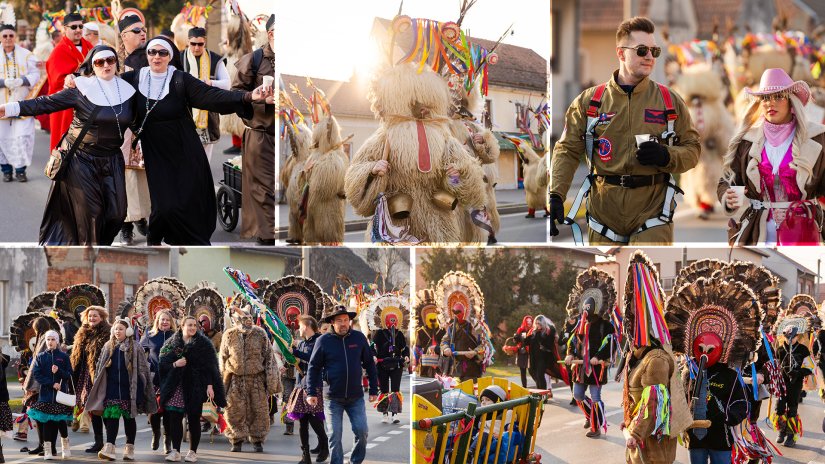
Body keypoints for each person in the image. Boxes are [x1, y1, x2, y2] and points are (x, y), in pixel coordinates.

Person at [549, 16, 700, 245]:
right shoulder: (589, 102)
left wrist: (667, 155)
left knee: (645, 274)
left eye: (654, 51)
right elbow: (567, 150)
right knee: (606, 279)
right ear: (621, 53)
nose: (649, 57)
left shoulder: (670, 101)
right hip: (603, 214)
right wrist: (556, 195)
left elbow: (693, 149)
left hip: (653, 212)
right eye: (641, 50)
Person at [119, 36, 269, 245]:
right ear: (147, 55)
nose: (156, 57)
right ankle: (155, 238)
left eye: (162, 53)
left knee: (191, 198)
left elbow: (212, 96)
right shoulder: (134, 79)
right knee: (165, 205)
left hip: (186, 150)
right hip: (157, 153)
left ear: (170, 57)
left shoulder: (180, 79)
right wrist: (76, 80)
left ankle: (193, 245)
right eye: (152, 52)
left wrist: (248, 97)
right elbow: (104, 85)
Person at [1, 45, 136, 245]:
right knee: (92, 213)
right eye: (100, 62)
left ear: (116, 62)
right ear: (92, 66)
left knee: (117, 214)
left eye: (110, 60)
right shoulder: (81, 89)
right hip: (81, 159)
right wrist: (10, 108)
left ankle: (101, 249)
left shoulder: (128, 89)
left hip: (112, 158)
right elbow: (45, 103)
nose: (106, 65)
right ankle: (89, 260)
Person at [719, 67, 825, 245]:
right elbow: (727, 180)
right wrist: (727, 197)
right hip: (758, 233)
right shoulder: (746, 141)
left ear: (791, 103)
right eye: (765, 98)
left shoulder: (817, 137)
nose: (770, 103)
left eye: (778, 97)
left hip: (805, 231)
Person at [307, 305, 378, 464]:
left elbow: (370, 364)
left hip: (356, 397)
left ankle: (355, 461)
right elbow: (313, 367)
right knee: (335, 436)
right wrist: (311, 392)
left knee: (362, 432)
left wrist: (374, 389)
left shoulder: (359, 338)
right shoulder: (323, 341)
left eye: (346, 320)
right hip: (332, 398)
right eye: (339, 320)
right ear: (332, 322)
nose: (344, 323)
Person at [85, 318, 156, 461]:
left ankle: (129, 447)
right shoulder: (108, 346)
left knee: (129, 418)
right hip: (111, 389)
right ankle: (110, 447)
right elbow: (100, 368)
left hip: (129, 389)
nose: (118, 331)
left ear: (128, 331)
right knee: (111, 416)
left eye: (121, 329)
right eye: (116, 329)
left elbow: (143, 369)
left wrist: (142, 388)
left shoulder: (135, 347)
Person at [233, 14, 276, 245]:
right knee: (263, 191)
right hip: (260, 136)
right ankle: (268, 238)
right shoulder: (254, 60)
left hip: (285, 137)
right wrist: (261, 101)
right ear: (271, 34)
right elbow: (234, 95)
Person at [159, 316, 226, 462]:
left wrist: (210, 386)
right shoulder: (171, 343)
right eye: (189, 325)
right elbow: (163, 363)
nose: (192, 328)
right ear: (182, 326)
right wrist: (176, 364)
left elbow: (210, 368)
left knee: (194, 419)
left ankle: (192, 452)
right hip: (176, 386)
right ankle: (175, 451)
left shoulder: (204, 344)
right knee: (175, 419)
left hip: (196, 386)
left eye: (194, 325)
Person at [219, 306, 280, 453]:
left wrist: (271, 382)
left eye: (248, 318)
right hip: (235, 379)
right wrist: (221, 383)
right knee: (234, 411)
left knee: (259, 411)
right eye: (241, 318)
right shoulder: (229, 335)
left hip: (256, 379)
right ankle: (236, 440)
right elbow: (222, 358)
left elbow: (269, 358)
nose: (245, 321)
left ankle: (258, 440)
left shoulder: (260, 334)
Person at [116, 13, 150, 246]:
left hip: (147, 125)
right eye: (137, 31)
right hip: (121, 128)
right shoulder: (112, 59)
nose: (143, 33)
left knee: (145, 177)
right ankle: (125, 226)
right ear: (124, 36)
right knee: (125, 178)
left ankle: (143, 218)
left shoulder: (153, 57)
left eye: (144, 29)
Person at [565, 300, 615, 438]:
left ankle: (596, 426)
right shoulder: (581, 324)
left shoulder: (606, 325)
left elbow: (611, 342)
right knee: (577, 395)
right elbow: (573, 342)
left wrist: (599, 356)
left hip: (596, 369)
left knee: (595, 397)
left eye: (589, 308)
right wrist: (570, 354)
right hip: (581, 368)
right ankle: (590, 415)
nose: (586, 310)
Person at [45, 12, 93, 151]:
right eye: (73, 27)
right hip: (67, 106)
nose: (78, 30)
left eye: (80, 26)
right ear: (65, 29)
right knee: (65, 146)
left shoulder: (90, 47)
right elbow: (56, 81)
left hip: (88, 103)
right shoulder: (58, 51)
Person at [181, 27, 229, 162]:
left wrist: (210, 83)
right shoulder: (179, 58)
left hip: (208, 117)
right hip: (184, 116)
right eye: (193, 44)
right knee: (186, 160)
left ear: (205, 42)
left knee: (204, 160)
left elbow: (227, 84)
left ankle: (202, 183)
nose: (196, 48)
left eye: (200, 44)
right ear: (188, 41)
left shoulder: (215, 59)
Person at [69, 305, 112, 454]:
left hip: (101, 375)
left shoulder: (108, 332)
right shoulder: (82, 333)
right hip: (85, 375)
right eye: (90, 316)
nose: (92, 318)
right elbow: (76, 356)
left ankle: (110, 442)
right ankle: (98, 441)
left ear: (102, 317)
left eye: (95, 316)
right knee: (92, 408)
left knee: (103, 409)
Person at [0, 24, 39, 183]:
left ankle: (21, 170)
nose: (8, 39)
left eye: (11, 35)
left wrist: (21, 81)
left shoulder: (26, 54)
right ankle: (6, 170)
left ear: (15, 36)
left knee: (23, 137)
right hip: (1, 106)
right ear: (0, 37)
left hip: (22, 105)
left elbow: (36, 74)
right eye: (5, 36)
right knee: (2, 138)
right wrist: (3, 82)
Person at [289, 315, 329, 464]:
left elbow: (313, 358)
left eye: (300, 326)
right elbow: (299, 360)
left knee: (314, 419)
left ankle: (324, 445)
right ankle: (305, 455)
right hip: (301, 384)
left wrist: (296, 353)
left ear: (306, 326)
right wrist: (290, 355)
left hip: (313, 385)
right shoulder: (302, 343)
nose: (299, 329)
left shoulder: (319, 341)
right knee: (302, 421)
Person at [28, 330, 73, 461]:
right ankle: (47, 450)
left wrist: (59, 371)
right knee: (47, 421)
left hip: (61, 396)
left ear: (57, 341)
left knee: (60, 421)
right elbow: (37, 375)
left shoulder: (63, 357)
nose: (50, 342)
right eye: (48, 339)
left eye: (53, 339)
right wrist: (51, 383)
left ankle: (65, 445)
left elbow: (69, 374)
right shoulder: (41, 356)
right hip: (46, 395)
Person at [21, 318, 62, 457]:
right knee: (41, 417)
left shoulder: (46, 338)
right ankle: (43, 445)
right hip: (43, 384)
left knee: (49, 418)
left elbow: (39, 365)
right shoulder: (44, 338)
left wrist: (31, 385)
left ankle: (48, 447)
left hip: (44, 386)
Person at [139, 310, 177, 454]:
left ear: (171, 321)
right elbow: (140, 350)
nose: (165, 322)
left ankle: (168, 441)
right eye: (162, 320)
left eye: (167, 320)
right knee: (153, 411)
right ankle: (156, 433)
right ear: (157, 321)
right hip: (154, 378)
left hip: (171, 378)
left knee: (168, 412)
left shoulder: (176, 336)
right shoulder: (150, 334)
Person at [772, 325, 812, 448]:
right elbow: (775, 366)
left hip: (795, 383)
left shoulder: (803, 349)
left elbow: (810, 368)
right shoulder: (780, 350)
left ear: (797, 336)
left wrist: (798, 373)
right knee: (779, 407)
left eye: (793, 337)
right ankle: (782, 430)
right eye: (788, 336)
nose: (790, 339)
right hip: (782, 383)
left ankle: (791, 435)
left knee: (792, 408)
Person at [466, 385, 522, 464]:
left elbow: (510, 430)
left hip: (496, 440)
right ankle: (459, 454)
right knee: (466, 436)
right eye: (482, 400)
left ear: (497, 402)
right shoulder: (481, 415)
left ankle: (470, 453)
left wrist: (501, 434)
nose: (483, 402)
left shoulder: (507, 413)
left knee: (484, 435)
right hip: (479, 439)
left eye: (488, 399)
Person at [371, 310, 409, 424]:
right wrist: (373, 356)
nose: (393, 322)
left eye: (394, 320)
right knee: (384, 389)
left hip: (397, 364)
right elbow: (372, 346)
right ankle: (384, 413)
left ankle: (394, 414)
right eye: (391, 320)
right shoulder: (379, 333)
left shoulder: (400, 334)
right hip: (382, 364)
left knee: (395, 389)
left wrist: (406, 356)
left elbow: (404, 348)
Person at [440, 303, 486, 382]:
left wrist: (474, 352)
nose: (456, 314)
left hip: (472, 369)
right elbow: (444, 342)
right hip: (455, 369)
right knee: (454, 393)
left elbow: (484, 344)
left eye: (458, 312)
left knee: (470, 392)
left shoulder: (475, 326)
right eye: (454, 312)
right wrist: (445, 349)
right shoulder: (451, 327)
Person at [526, 315, 562, 395]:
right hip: (534, 358)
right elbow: (527, 342)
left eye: (539, 323)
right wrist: (520, 338)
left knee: (541, 376)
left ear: (543, 323)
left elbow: (549, 344)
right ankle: (541, 393)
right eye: (536, 323)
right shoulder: (534, 331)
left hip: (545, 358)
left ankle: (543, 394)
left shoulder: (549, 331)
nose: (538, 325)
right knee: (534, 374)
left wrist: (541, 340)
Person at [512, 315, 532, 388]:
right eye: (527, 321)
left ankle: (539, 387)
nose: (529, 323)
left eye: (530, 321)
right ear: (524, 322)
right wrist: (516, 337)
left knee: (531, 371)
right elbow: (515, 341)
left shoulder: (533, 330)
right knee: (522, 371)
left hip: (531, 353)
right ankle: (524, 387)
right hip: (522, 353)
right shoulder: (520, 330)